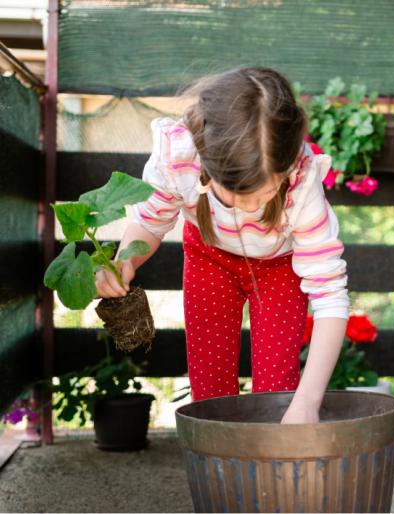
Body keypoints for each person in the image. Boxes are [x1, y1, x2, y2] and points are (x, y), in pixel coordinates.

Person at [95, 67, 349, 424]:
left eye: (263, 193)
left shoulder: (302, 183)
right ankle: (220, 473)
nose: (249, 207)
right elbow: (150, 221)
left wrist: (306, 405)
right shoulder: (179, 157)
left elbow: (330, 295)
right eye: (235, 195)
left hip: (280, 268)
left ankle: (273, 473)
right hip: (209, 258)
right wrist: (125, 259)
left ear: (288, 165)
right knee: (210, 390)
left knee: (278, 392)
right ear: (206, 163)